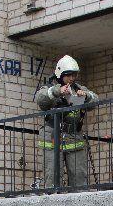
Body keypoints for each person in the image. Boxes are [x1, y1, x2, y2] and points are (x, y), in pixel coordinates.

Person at [35, 55, 99, 188]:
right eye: (68, 75)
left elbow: (95, 100)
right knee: (52, 178)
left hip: (74, 136)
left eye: (74, 75)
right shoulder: (48, 88)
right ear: (60, 74)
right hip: (52, 136)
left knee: (79, 177)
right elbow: (40, 99)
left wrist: (86, 96)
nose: (72, 78)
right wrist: (57, 92)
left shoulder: (78, 88)